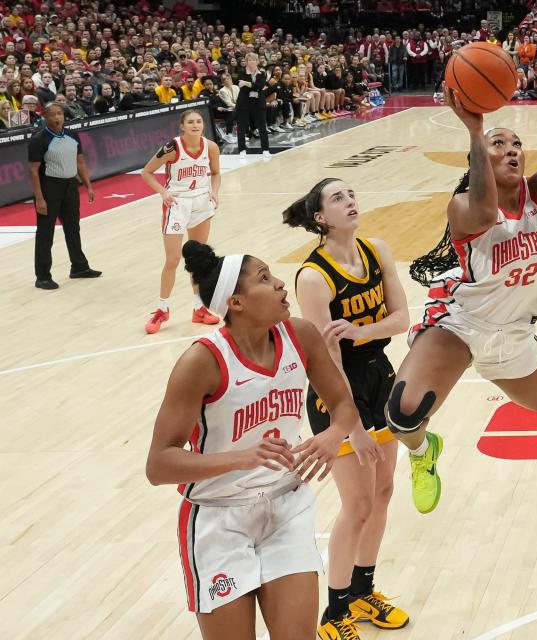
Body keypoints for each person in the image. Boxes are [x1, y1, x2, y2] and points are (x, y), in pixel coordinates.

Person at [146, 240, 362, 640]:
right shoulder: (202, 362)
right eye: (265, 278)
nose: (281, 284)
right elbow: (158, 465)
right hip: (218, 515)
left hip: (287, 506)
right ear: (237, 302)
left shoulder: (300, 335)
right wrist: (240, 458)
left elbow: (342, 406)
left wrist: (333, 435)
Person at [390, 63, 537, 514]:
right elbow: (484, 209)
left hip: (514, 329)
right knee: (402, 412)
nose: (513, 150)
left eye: (517, 144)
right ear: (481, 157)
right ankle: (423, 453)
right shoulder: (463, 208)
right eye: (500, 144)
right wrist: (475, 134)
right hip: (461, 321)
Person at [284, 178, 411, 638]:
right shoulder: (313, 276)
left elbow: (403, 319)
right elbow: (327, 357)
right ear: (320, 217)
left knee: (383, 493)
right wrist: (350, 425)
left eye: (352, 193)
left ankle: (363, 591)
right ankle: (334, 612)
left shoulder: (378, 250)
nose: (351, 201)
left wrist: (360, 331)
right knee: (356, 504)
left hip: (379, 374)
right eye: (338, 198)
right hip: (335, 390)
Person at [140, 109, 222, 333]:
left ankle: (199, 308)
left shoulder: (211, 147)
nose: (195, 125)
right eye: (190, 122)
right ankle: (162, 309)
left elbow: (215, 173)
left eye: (198, 121)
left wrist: (215, 191)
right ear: (182, 126)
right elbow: (146, 172)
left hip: (201, 202)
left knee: (199, 258)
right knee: (174, 259)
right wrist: (162, 192)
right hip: (177, 204)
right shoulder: (172, 148)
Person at [27, 103, 101, 290]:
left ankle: (79, 267)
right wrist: (40, 198)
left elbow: (80, 162)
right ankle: (42, 276)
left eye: (59, 113)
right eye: (52, 115)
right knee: (46, 233)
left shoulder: (72, 135)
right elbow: (33, 171)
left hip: (70, 185)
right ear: (45, 117)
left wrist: (88, 186)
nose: (57, 118)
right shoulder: (39, 139)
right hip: (49, 187)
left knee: (73, 228)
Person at [236, 52, 271, 157]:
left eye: (253, 60)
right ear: (246, 62)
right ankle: (242, 150)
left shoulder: (262, 73)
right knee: (241, 127)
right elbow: (245, 88)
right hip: (243, 103)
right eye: (249, 60)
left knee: (262, 127)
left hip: (258, 103)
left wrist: (247, 83)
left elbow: (260, 87)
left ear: (257, 61)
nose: (251, 62)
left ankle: (265, 149)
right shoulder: (242, 72)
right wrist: (253, 85)